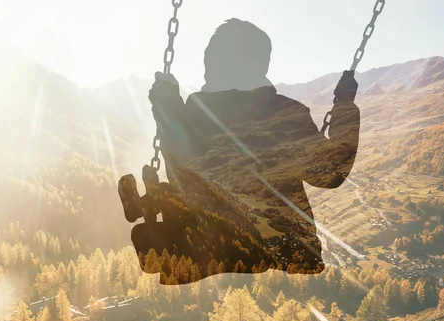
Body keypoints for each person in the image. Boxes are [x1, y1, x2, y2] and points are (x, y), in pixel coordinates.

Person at [119, 18, 360, 284]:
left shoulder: (192, 117)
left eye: (210, 61)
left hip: (206, 245)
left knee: (167, 214)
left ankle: (158, 212)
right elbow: (329, 175)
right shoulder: (287, 115)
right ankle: (160, 210)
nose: (206, 69)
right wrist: (344, 105)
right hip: (284, 248)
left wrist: (167, 108)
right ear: (261, 66)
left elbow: (183, 170)